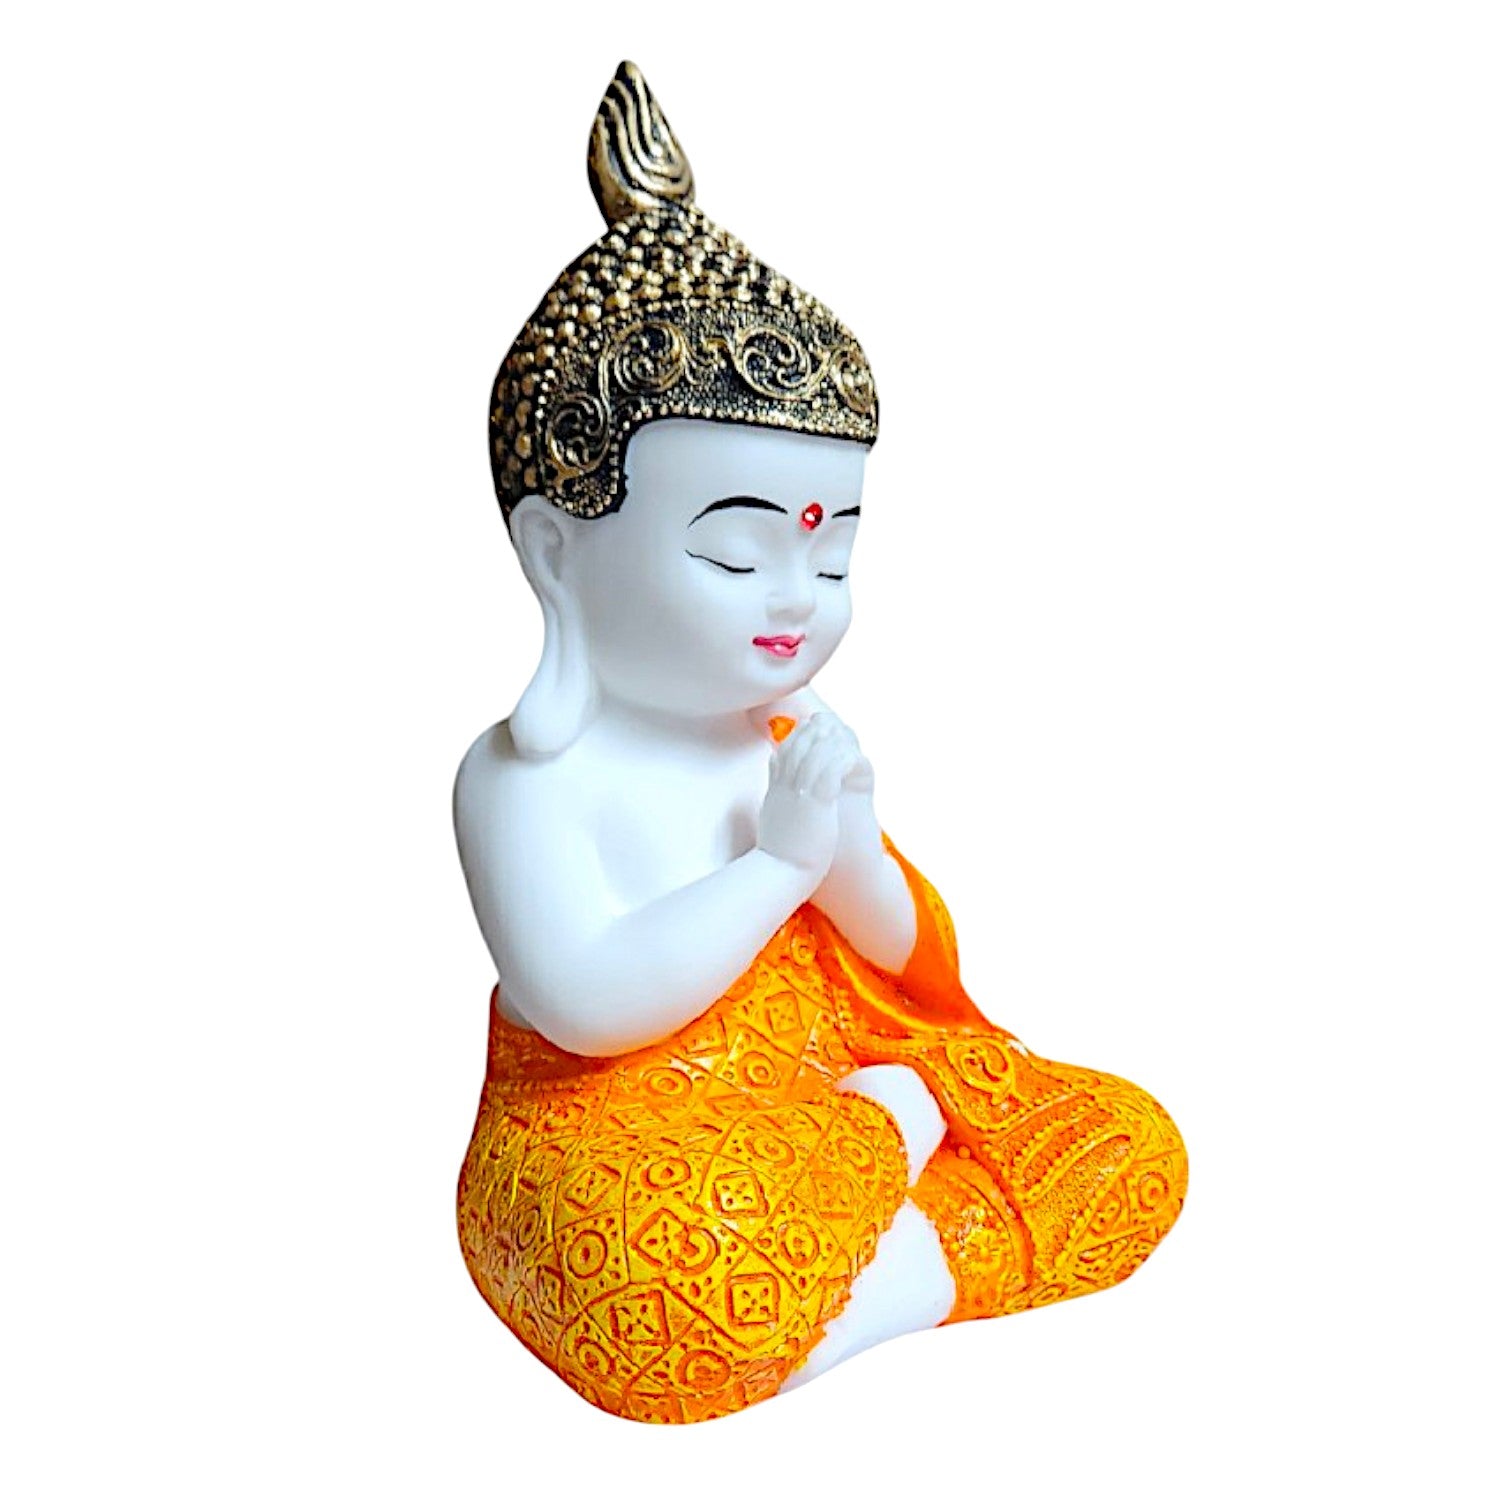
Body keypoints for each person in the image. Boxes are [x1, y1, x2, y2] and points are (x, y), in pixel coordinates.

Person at [455, 60, 1188, 1424]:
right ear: (556, 553)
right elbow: (587, 1002)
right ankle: (903, 1199)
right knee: (656, 1277)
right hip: (617, 1145)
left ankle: (834, 1281)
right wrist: (777, 870)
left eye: (833, 554)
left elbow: (903, 956)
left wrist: (842, 844)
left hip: (815, 1083)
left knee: (1129, 1147)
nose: (797, 598)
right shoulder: (524, 781)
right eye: (738, 557)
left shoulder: (786, 733)